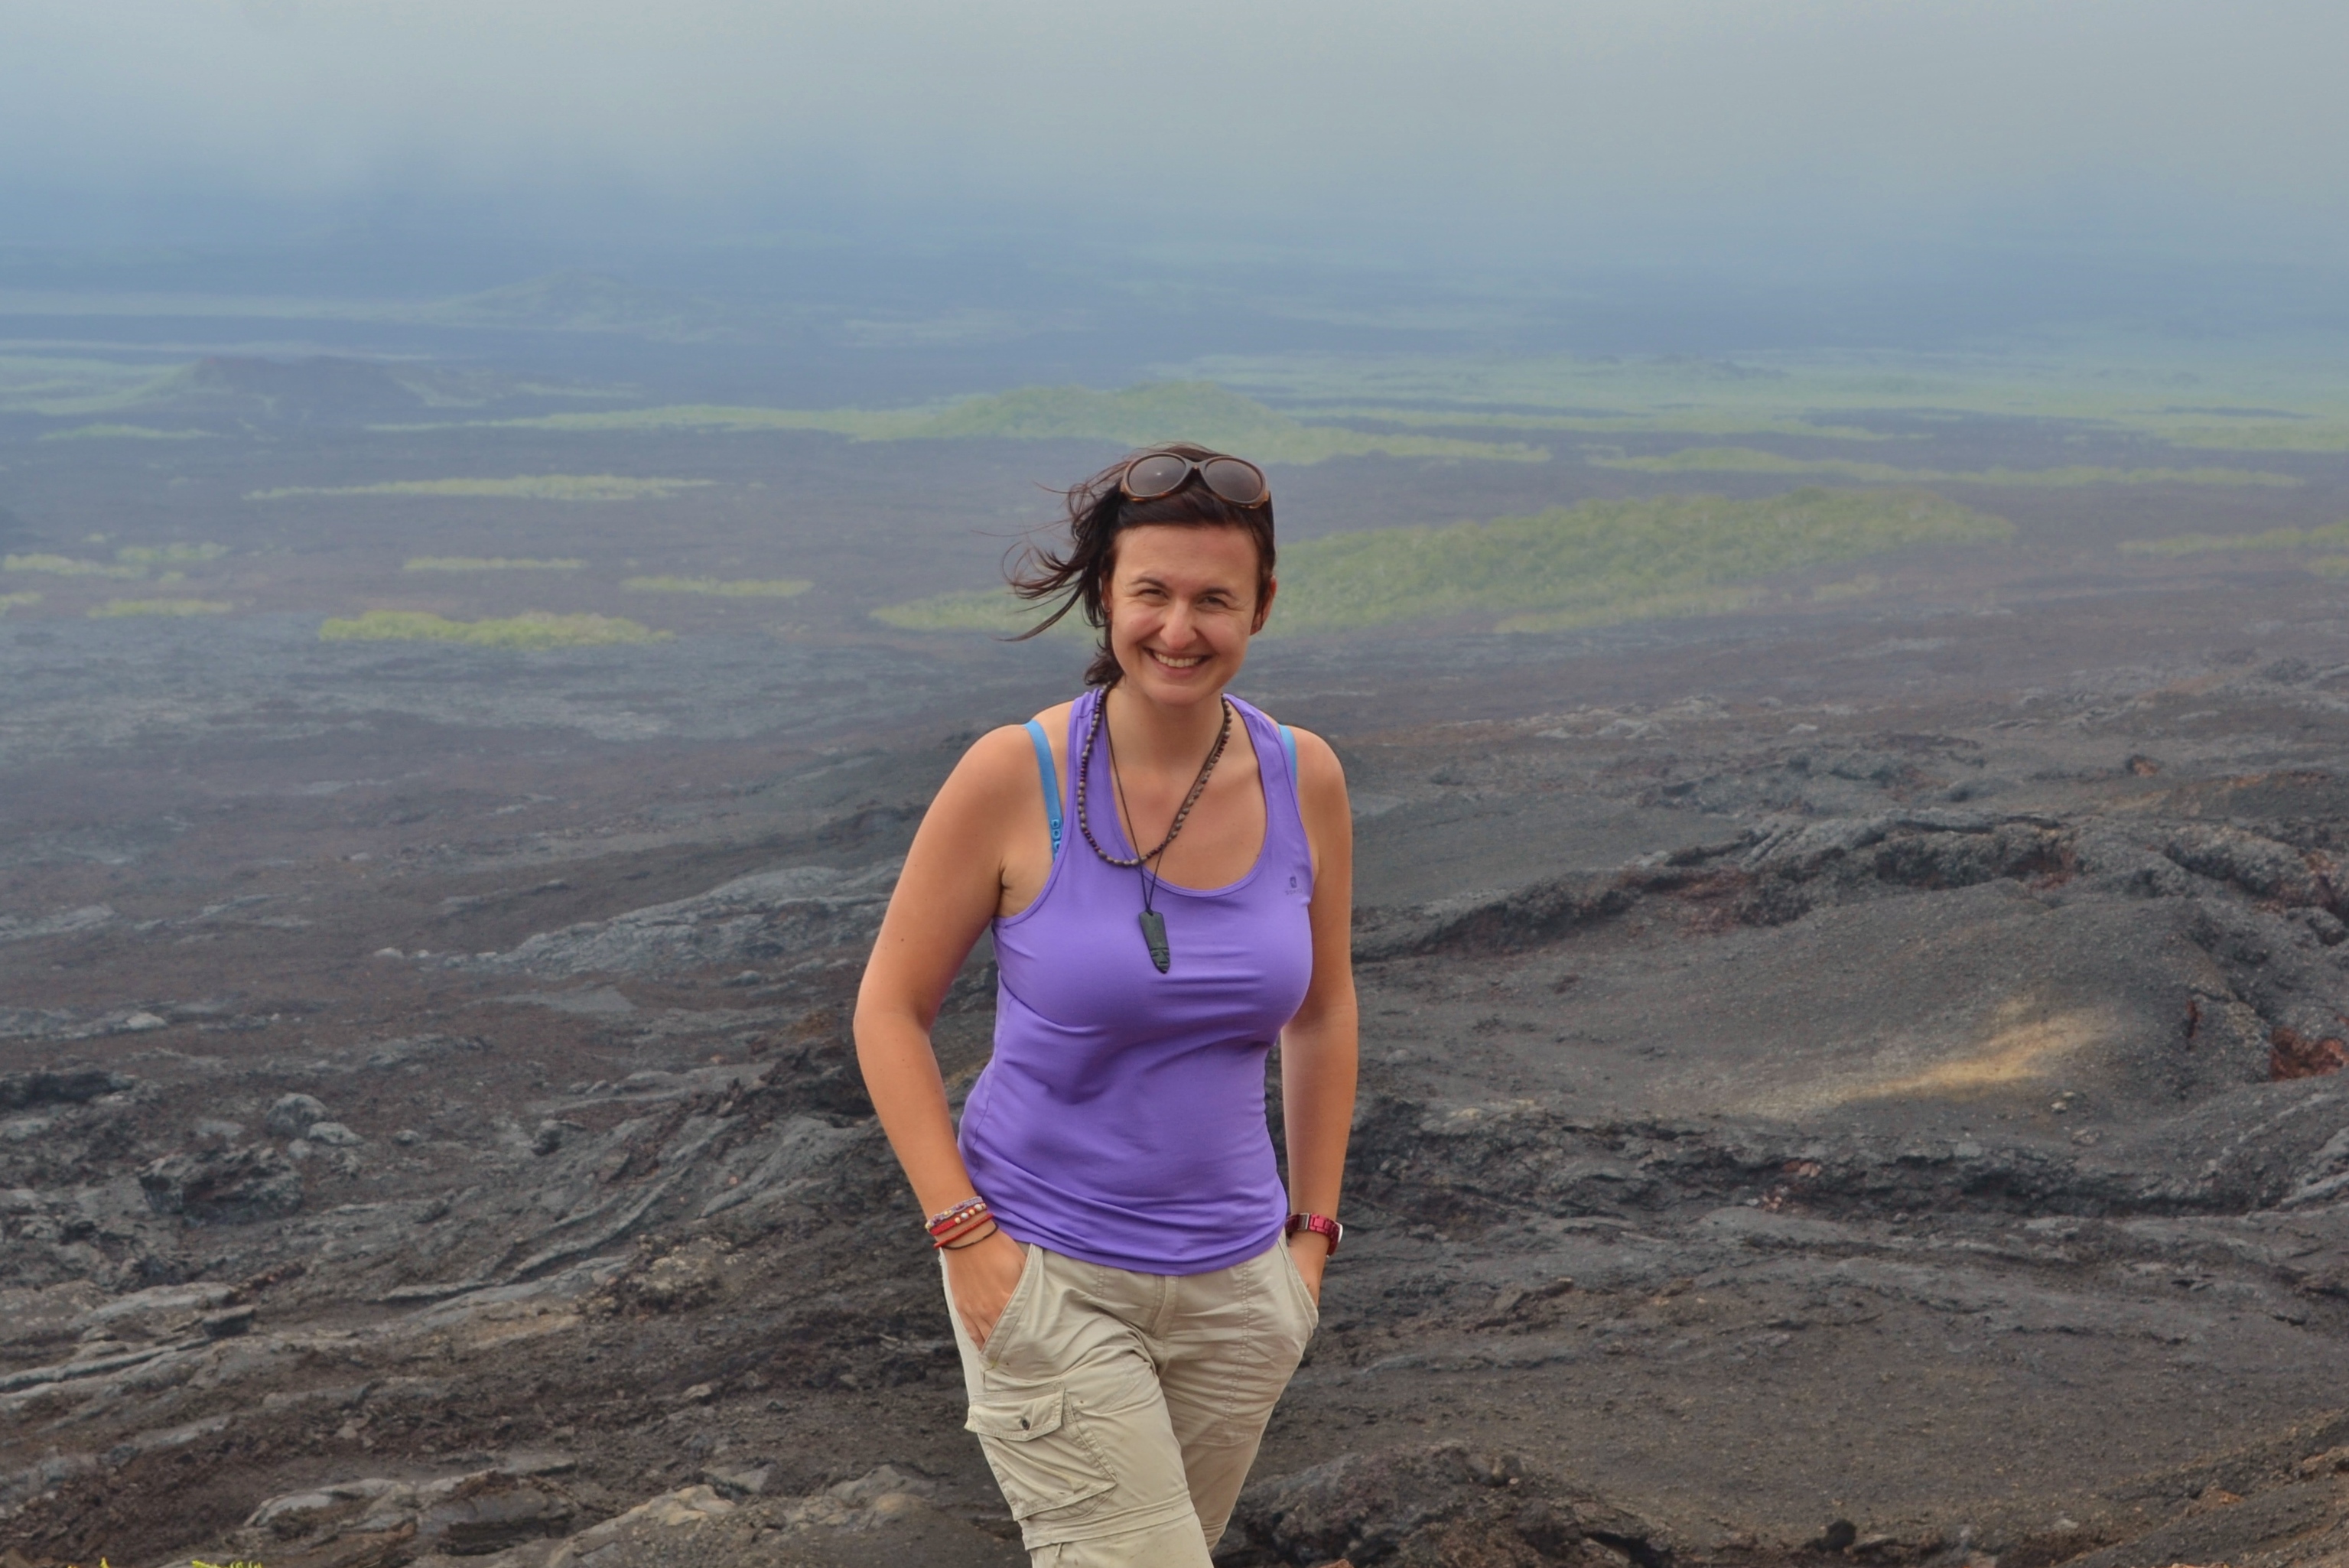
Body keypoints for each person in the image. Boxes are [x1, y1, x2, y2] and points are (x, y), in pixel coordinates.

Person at [854, 444, 1359, 1566]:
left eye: (1214, 598)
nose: (1180, 628)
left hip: (1238, 1292)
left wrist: (1310, 1244)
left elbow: (1322, 1011)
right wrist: (966, 1238)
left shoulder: (1303, 776)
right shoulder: (1009, 776)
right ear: (1105, 598)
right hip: (1050, 1269)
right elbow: (888, 1010)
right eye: (1153, 593)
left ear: (1261, 607)